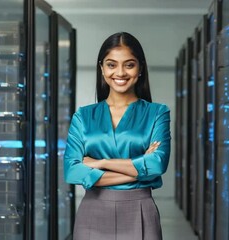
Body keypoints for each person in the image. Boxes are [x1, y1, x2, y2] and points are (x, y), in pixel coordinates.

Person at [63, 32, 171, 240]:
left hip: (140, 210)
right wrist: (138, 172)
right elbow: (72, 171)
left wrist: (101, 162)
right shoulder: (83, 116)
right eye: (112, 65)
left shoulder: (158, 113)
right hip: (92, 213)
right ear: (101, 68)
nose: (120, 72)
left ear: (140, 68)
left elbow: (157, 165)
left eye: (129, 65)